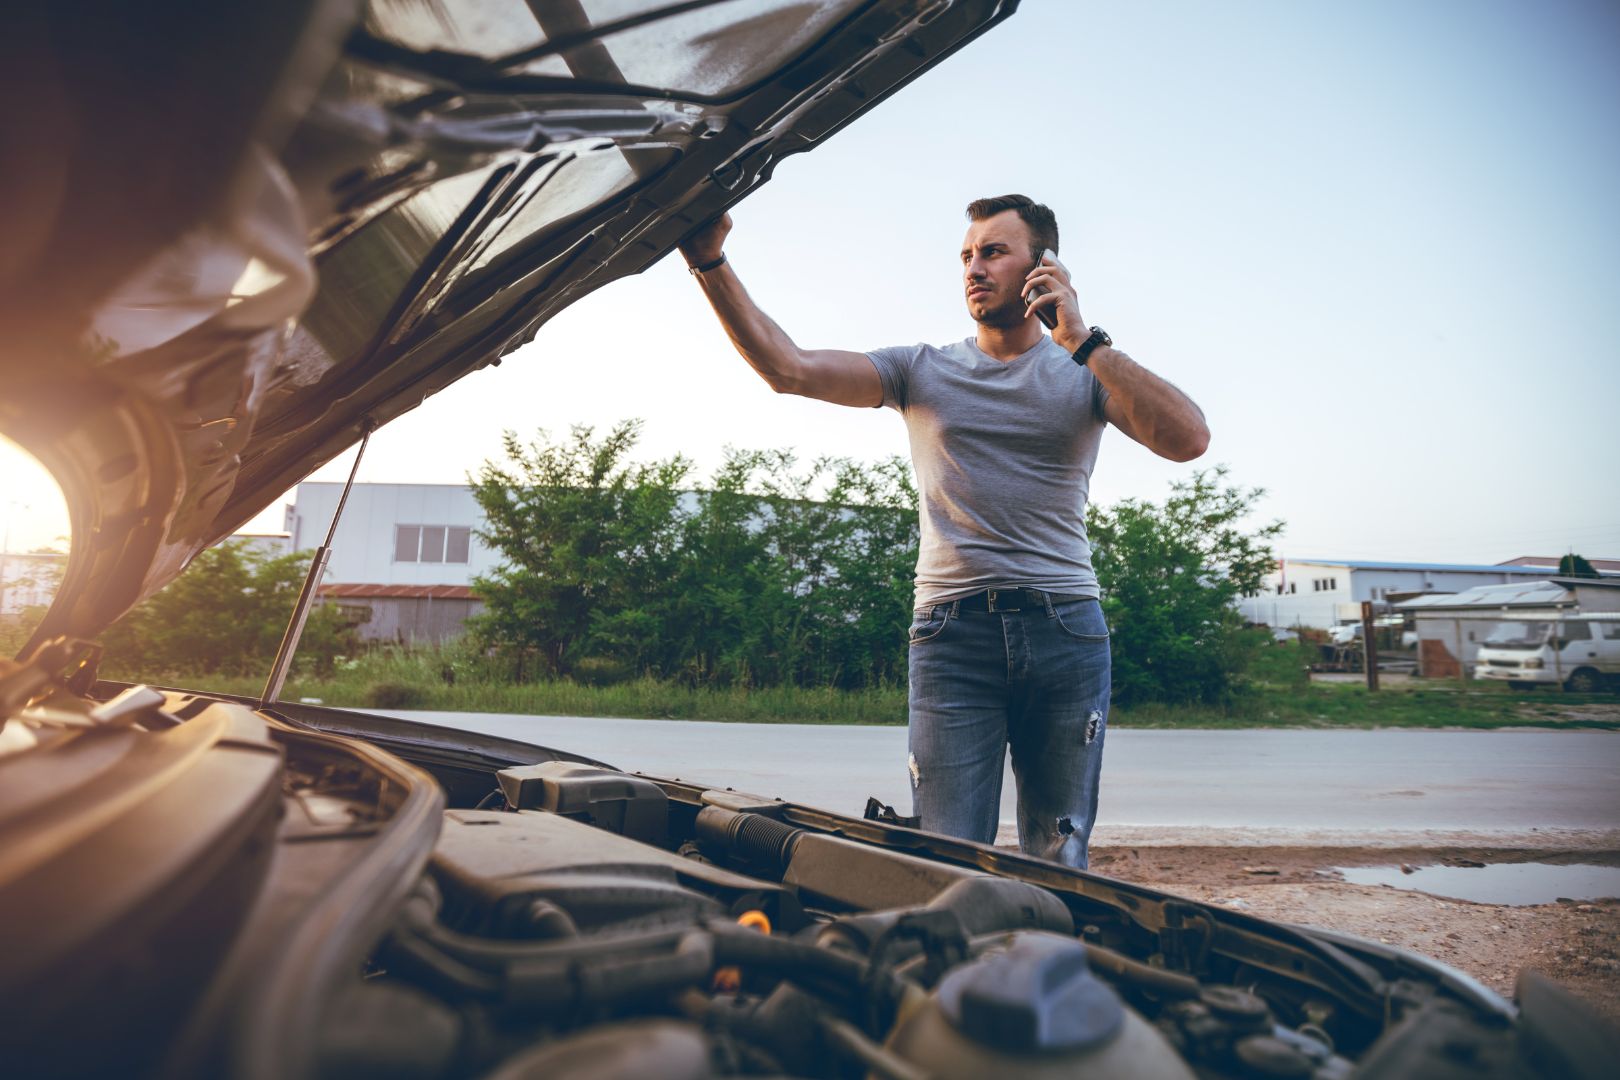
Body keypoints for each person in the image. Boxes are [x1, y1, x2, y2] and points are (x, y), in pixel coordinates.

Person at [679, 194, 1208, 867]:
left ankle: (1042, 968)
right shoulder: (920, 370)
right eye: (966, 255)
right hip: (952, 637)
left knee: (1058, 855)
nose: (974, 268)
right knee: (940, 857)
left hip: (1066, 630)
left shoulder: (1087, 373)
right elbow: (790, 367)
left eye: (993, 251)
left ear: (1044, 268)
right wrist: (709, 261)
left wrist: (1080, 339)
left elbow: (1188, 438)